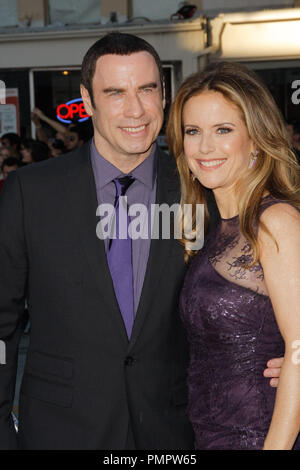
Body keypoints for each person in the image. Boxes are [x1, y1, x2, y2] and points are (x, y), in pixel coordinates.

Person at [0, 34, 281, 450]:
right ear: (87, 99)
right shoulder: (31, 192)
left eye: (147, 89)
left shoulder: (203, 188)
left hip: (176, 433)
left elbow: (264, 282)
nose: (135, 110)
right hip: (61, 430)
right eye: (115, 92)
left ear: (163, 94)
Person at [166, 61, 300, 450]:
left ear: (256, 139)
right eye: (193, 132)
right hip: (209, 436)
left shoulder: (275, 221)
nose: (205, 147)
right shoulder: (215, 227)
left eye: (223, 130)